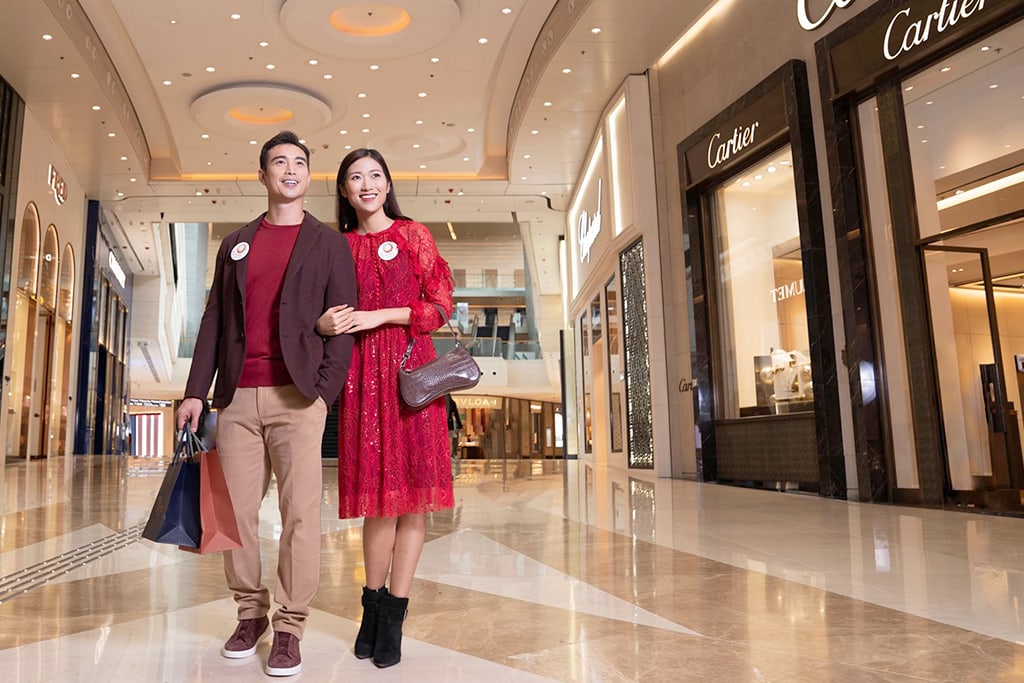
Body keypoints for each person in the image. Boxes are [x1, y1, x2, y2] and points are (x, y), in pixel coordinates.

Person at [175, 130, 357, 677]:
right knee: (237, 516)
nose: (289, 170)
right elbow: (214, 321)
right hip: (235, 397)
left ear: (309, 174)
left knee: (301, 515)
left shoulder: (328, 244)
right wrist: (193, 391)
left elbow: (342, 325)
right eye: (279, 162)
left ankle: (291, 626)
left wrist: (324, 394)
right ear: (263, 176)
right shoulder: (235, 243)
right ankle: (250, 614)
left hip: (298, 397)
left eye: (298, 162)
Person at [315, 148, 454, 668]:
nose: (366, 184)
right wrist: (327, 325)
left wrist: (380, 316)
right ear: (345, 191)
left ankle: (394, 617)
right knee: (378, 502)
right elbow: (318, 310)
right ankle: (370, 611)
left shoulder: (414, 235)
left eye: (375, 175)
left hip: (411, 379)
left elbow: (440, 305)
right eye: (355, 177)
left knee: (412, 502)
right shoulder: (337, 245)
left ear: (388, 183)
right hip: (360, 381)